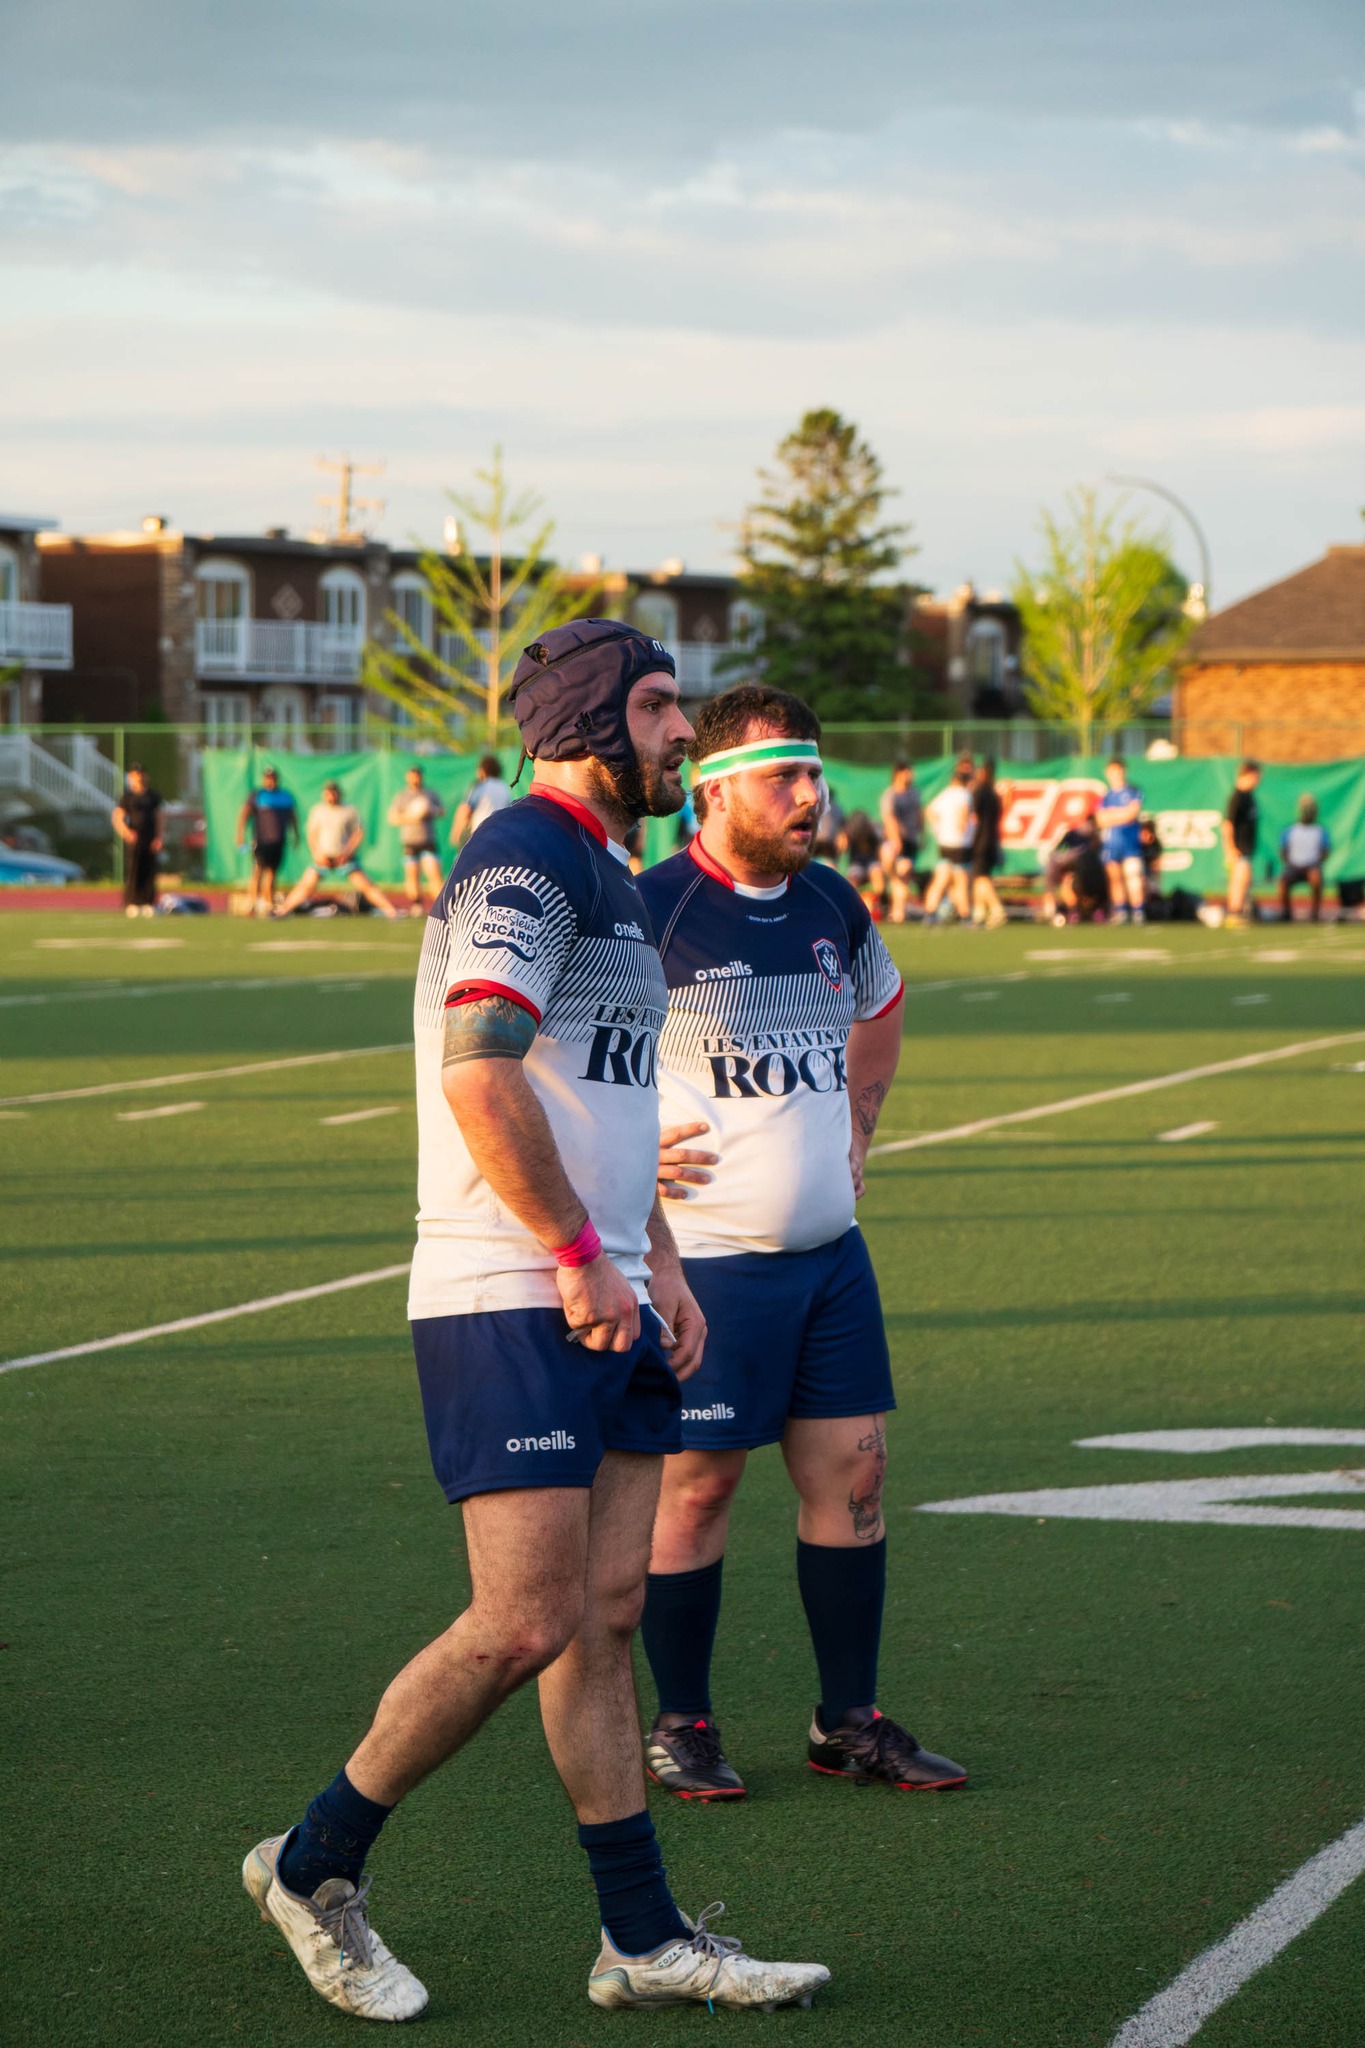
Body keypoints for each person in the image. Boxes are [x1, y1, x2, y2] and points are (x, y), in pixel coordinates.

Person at [243, 622, 829, 2023]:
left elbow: (606, 1102)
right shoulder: (523, 853)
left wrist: (658, 1260)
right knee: (521, 1620)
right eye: (656, 705)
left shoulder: (614, 876)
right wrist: (577, 1251)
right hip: (511, 1288)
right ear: (583, 719)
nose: (682, 732)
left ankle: (640, 1939)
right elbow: (481, 1071)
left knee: (603, 1621)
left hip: (608, 1286)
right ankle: (312, 1864)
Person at [637, 683, 966, 1803]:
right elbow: (546, 1058)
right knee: (697, 1488)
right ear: (713, 786)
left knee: (856, 1472)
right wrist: (626, 1157)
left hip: (833, 1257)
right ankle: (681, 1722)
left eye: (816, 774)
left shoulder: (835, 901)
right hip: (708, 1262)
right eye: (787, 776)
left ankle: (847, 1719)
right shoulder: (650, 910)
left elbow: (879, 1008)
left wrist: (860, 1130)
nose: (811, 797)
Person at [275, 782, 401, 920]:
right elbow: (312, 834)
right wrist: (317, 854)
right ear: (324, 794)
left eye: (334, 792)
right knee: (305, 885)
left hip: (344, 859)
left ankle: (391, 911)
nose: (331, 796)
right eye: (328, 793)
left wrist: (347, 853)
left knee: (366, 885)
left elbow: (358, 833)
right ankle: (283, 910)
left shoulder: (349, 810)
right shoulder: (318, 810)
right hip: (323, 858)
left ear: (339, 793)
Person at [236, 765, 299, 916]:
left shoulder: (285, 796)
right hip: (261, 840)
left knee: (272, 872)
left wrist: (296, 834)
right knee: (257, 870)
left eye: (273, 778)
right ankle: (251, 902)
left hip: (278, 840)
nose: (270, 781)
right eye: (268, 778)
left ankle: (268, 902)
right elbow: (244, 815)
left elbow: (293, 817)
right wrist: (240, 836)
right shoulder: (258, 795)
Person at [387, 764, 446, 915]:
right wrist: (411, 817)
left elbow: (441, 811)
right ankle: (416, 905)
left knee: (434, 873)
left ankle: (441, 905)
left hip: (427, 840)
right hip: (410, 841)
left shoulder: (429, 794)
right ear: (408, 777)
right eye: (412, 775)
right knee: (412, 874)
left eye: (418, 775)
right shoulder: (402, 796)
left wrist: (429, 811)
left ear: (421, 776)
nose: (415, 778)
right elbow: (393, 818)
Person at [921, 756, 975, 922]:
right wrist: (964, 826)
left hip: (944, 842)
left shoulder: (945, 794)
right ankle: (965, 915)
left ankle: (930, 912)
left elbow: (929, 811)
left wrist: (938, 830)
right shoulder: (965, 795)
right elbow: (964, 816)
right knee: (961, 880)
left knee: (941, 879)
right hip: (960, 844)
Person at [1096, 758, 1146, 925]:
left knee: (1133, 875)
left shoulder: (1133, 791)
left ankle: (1138, 911)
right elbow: (1100, 820)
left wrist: (1113, 815)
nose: (1116, 774)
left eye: (1119, 770)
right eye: (1113, 771)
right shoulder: (1106, 796)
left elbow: (1132, 814)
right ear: (1107, 774)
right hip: (1111, 843)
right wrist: (1120, 814)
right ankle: (1121, 911)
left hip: (1130, 843)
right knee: (1115, 878)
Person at [112, 763, 163, 918]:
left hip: (150, 838)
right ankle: (132, 902)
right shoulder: (127, 797)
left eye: (140, 774)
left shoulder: (153, 796)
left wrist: (159, 836)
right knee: (134, 870)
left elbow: (160, 817)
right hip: (134, 839)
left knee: (149, 871)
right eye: (134, 775)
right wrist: (126, 833)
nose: (138, 777)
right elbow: (117, 817)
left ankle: (148, 902)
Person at [877, 761, 922, 922]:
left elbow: (919, 814)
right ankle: (897, 911)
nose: (910, 774)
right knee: (901, 872)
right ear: (898, 774)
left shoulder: (914, 793)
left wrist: (921, 834)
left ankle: (898, 913)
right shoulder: (891, 795)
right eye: (907, 771)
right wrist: (896, 840)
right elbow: (889, 818)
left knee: (903, 877)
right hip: (894, 843)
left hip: (910, 841)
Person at [1279, 794, 1330, 923]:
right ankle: (1286, 914)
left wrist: (1314, 864)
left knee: (1316, 878)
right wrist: (1291, 864)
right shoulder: (1289, 830)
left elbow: (1325, 852)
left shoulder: (1320, 830)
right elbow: (1283, 851)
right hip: (1294, 868)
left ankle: (1315, 914)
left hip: (1311, 867)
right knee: (1283, 882)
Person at [968, 759, 1006, 928]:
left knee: (981, 878)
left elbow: (973, 817)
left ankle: (997, 909)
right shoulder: (993, 794)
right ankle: (979, 913)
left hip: (980, 841)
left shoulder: (980, 792)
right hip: (991, 841)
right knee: (979, 878)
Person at [1223, 761, 1261, 927]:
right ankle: (1234, 912)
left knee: (1245, 880)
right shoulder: (1237, 796)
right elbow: (1227, 824)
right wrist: (1230, 847)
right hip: (1239, 847)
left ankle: (1239, 911)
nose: (1257, 781)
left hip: (1247, 846)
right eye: (1256, 777)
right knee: (1238, 880)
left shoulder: (1250, 796)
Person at [450, 753, 512, 849]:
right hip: (499, 836)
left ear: (483, 770)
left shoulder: (480, 786)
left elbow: (466, 808)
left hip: (480, 835)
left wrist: (457, 831)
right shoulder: (504, 787)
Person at [840, 808, 882, 912]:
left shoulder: (875, 831)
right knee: (853, 878)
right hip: (856, 863)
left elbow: (881, 848)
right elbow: (841, 848)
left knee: (877, 873)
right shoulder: (849, 832)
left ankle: (876, 904)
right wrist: (844, 837)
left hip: (872, 861)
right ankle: (852, 907)